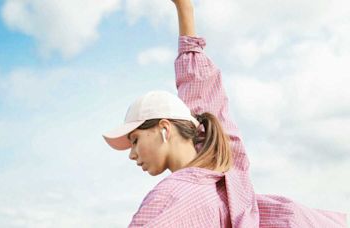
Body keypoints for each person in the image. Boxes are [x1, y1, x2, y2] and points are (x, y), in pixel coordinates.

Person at [102, 0, 347, 227]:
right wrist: (184, 9)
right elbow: (202, 91)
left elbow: (200, 90)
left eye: (135, 140)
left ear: (164, 129)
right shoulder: (228, 165)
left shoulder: (171, 197)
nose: (132, 155)